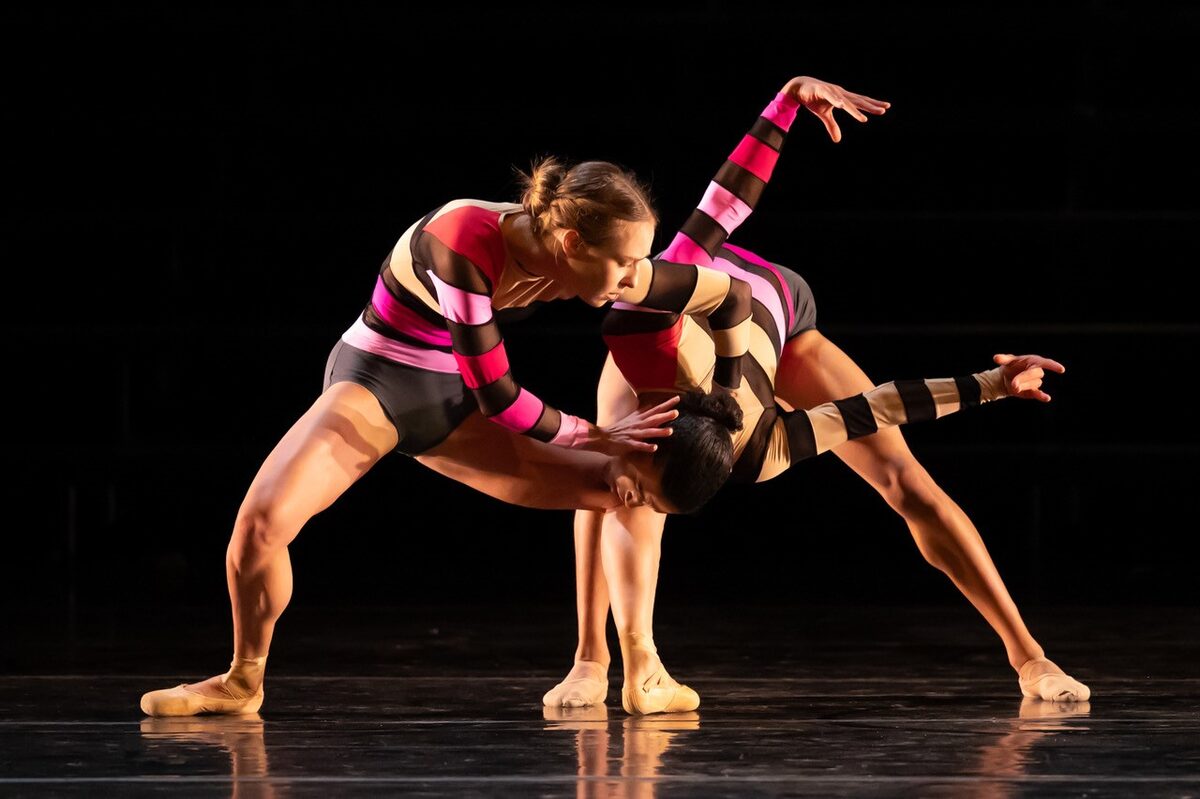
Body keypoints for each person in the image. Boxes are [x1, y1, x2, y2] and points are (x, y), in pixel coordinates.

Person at [139, 73, 888, 717]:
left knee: (632, 483)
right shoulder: (462, 239)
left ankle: (641, 668)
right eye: (624, 264)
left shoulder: (592, 263)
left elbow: (716, 223)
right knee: (260, 526)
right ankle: (242, 681)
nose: (636, 277)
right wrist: (594, 434)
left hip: (456, 405)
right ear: (571, 245)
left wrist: (784, 106)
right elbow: (496, 395)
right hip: (380, 383)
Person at [543, 129, 1090, 718]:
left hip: (780, 315)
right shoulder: (647, 331)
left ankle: (1031, 657)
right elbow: (720, 207)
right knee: (610, 482)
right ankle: (594, 658)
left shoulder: (759, 443)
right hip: (699, 319)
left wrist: (994, 384)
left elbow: (881, 404)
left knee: (905, 480)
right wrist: (784, 108)